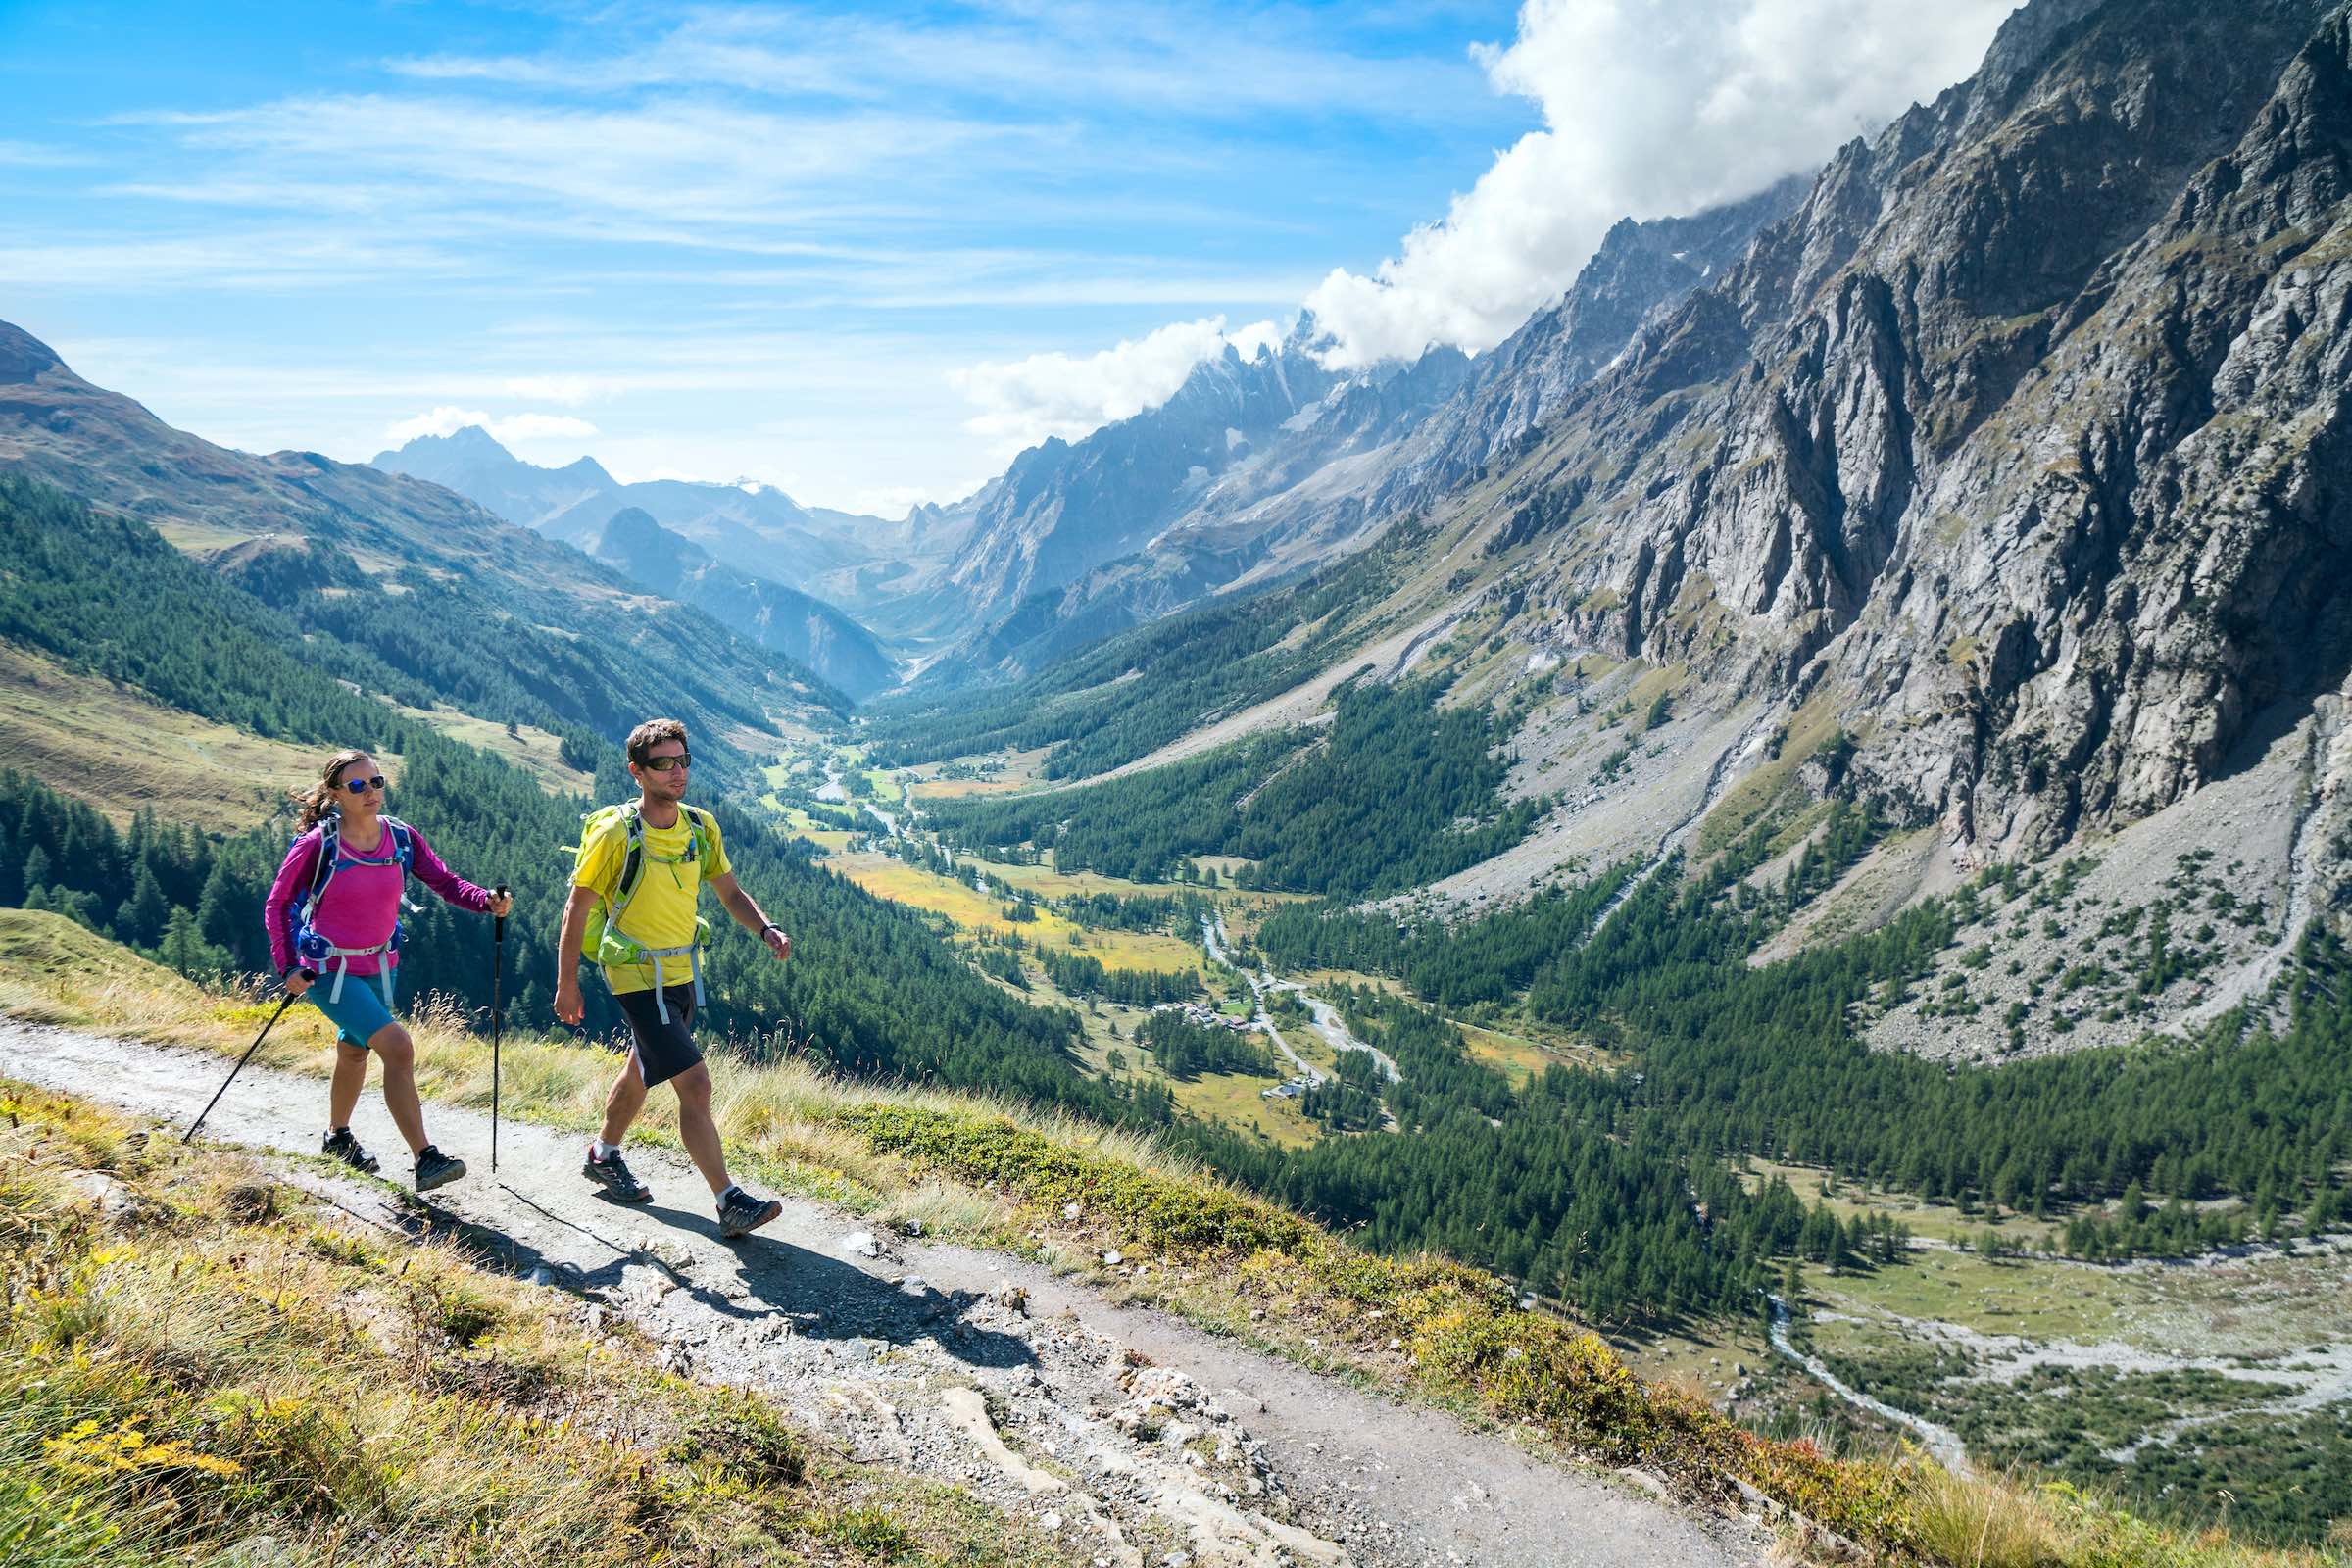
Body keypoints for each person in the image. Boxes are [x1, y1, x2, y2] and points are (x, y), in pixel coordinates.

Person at [555, 718, 790, 1239]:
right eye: (664, 763)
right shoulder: (617, 833)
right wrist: (566, 982)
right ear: (637, 771)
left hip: (681, 969)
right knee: (695, 1083)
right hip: (634, 971)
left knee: (642, 1067)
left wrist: (764, 928)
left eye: (683, 760)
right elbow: (579, 905)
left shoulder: (701, 827)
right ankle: (729, 1201)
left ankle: (603, 1155)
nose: (677, 771)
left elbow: (729, 892)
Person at [265, 749, 511, 1192]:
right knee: (397, 1046)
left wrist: (484, 901)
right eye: (357, 786)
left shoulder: (400, 838)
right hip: (330, 970)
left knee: (355, 1051)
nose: (370, 792)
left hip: (381, 962)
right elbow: (281, 904)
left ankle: (337, 1137)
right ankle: (425, 1158)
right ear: (336, 793)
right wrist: (289, 965)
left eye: (376, 782)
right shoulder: (317, 845)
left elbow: (444, 881)